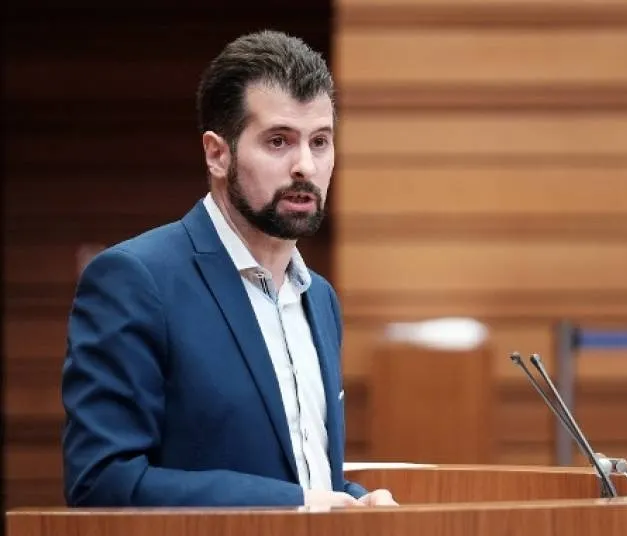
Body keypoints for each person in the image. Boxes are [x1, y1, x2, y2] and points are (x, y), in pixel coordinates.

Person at [61, 30, 396, 509]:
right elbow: (103, 482)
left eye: (319, 142)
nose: (305, 165)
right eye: (279, 141)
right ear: (218, 153)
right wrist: (300, 506)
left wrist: (355, 502)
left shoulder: (318, 297)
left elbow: (300, 471)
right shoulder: (135, 280)